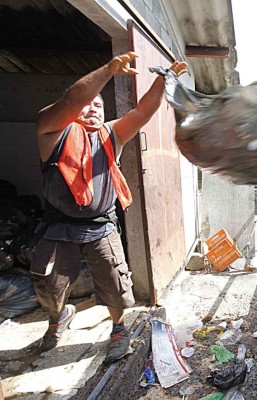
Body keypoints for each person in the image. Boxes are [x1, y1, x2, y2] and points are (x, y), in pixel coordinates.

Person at [31, 51, 187, 362]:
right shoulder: (52, 132)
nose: (92, 110)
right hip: (59, 225)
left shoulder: (111, 135)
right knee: (49, 285)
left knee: (116, 284)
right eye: (88, 105)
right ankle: (57, 318)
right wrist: (106, 72)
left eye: (99, 106)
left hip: (100, 225)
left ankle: (118, 330)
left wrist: (163, 81)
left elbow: (142, 112)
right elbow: (71, 102)